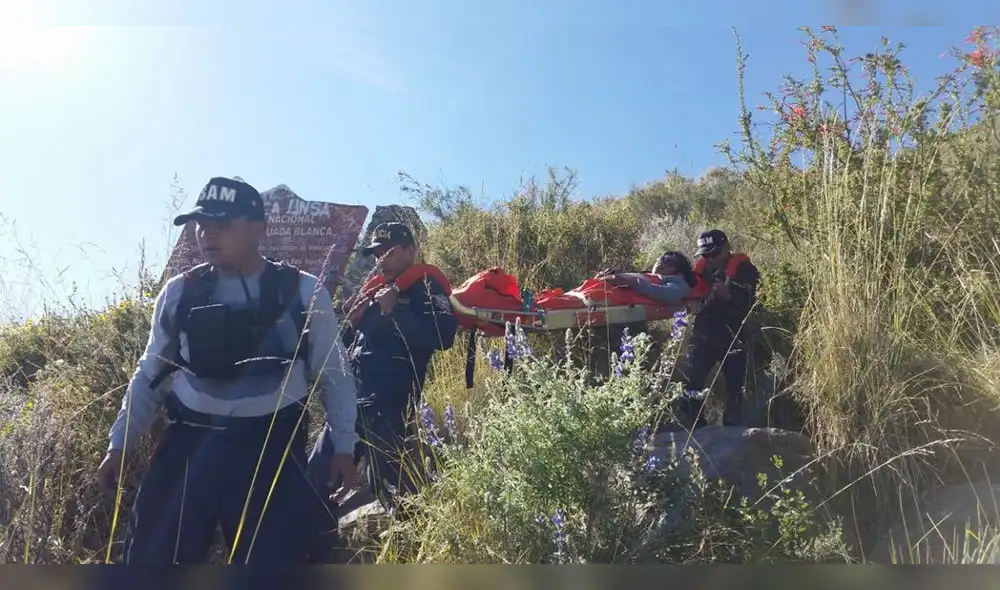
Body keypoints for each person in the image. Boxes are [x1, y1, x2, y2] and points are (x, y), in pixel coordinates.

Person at [94, 176, 359, 565]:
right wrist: (120, 443)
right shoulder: (179, 292)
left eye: (222, 224)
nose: (207, 235)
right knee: (154, 562)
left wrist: (344, 445)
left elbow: (334, 374)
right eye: (202, 224)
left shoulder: (303, 292)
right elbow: (150, 372)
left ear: (258, 229)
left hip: (271, 449)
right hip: (188, 446)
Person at [305, 222, 457, 560]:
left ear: (410, 250)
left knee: (393, 494)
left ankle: (409, 557)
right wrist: (348, 322)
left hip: (391, 406)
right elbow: (349, 346)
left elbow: (444, 336)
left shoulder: (426, 286)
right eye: (376, 253)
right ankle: (319, 551)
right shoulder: (375, 289)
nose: (381, 259)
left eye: (388, 251)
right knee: (316, 476)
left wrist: (393, 311)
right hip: (350, 405)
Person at [674, 229, 760, 428]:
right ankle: (693, 424)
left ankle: (733, 429)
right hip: (704, 333)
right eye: (705, 254)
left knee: (735, 385)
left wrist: (728, 296)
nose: (710, 258)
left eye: (714, 253)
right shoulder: (699, 271)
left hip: (734, 333)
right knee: (691, 379)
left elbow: (755, 302)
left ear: (726, 248)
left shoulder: (746, 270)